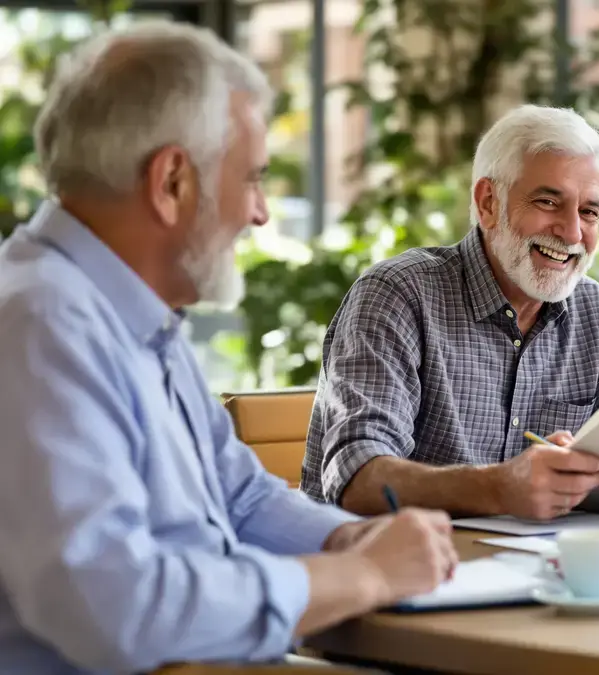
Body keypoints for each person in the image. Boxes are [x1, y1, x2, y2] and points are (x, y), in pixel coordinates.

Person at [0, 23, 457, 674]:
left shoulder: (135, 315)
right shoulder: (42, 322)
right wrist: (361, 576)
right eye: (253, 179)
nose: (262, 213)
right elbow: (116, 608)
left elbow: (237, 496)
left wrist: (345, 536)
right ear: (172, 182)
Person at [302, 104, 599, 520]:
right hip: (390, 568)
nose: (572, 233)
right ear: (488, 202)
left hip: (538, 567)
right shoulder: (399, 294)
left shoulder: (592, 310)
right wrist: (499, 487)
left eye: (589, 211)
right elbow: (356, 478)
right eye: (548, 202)